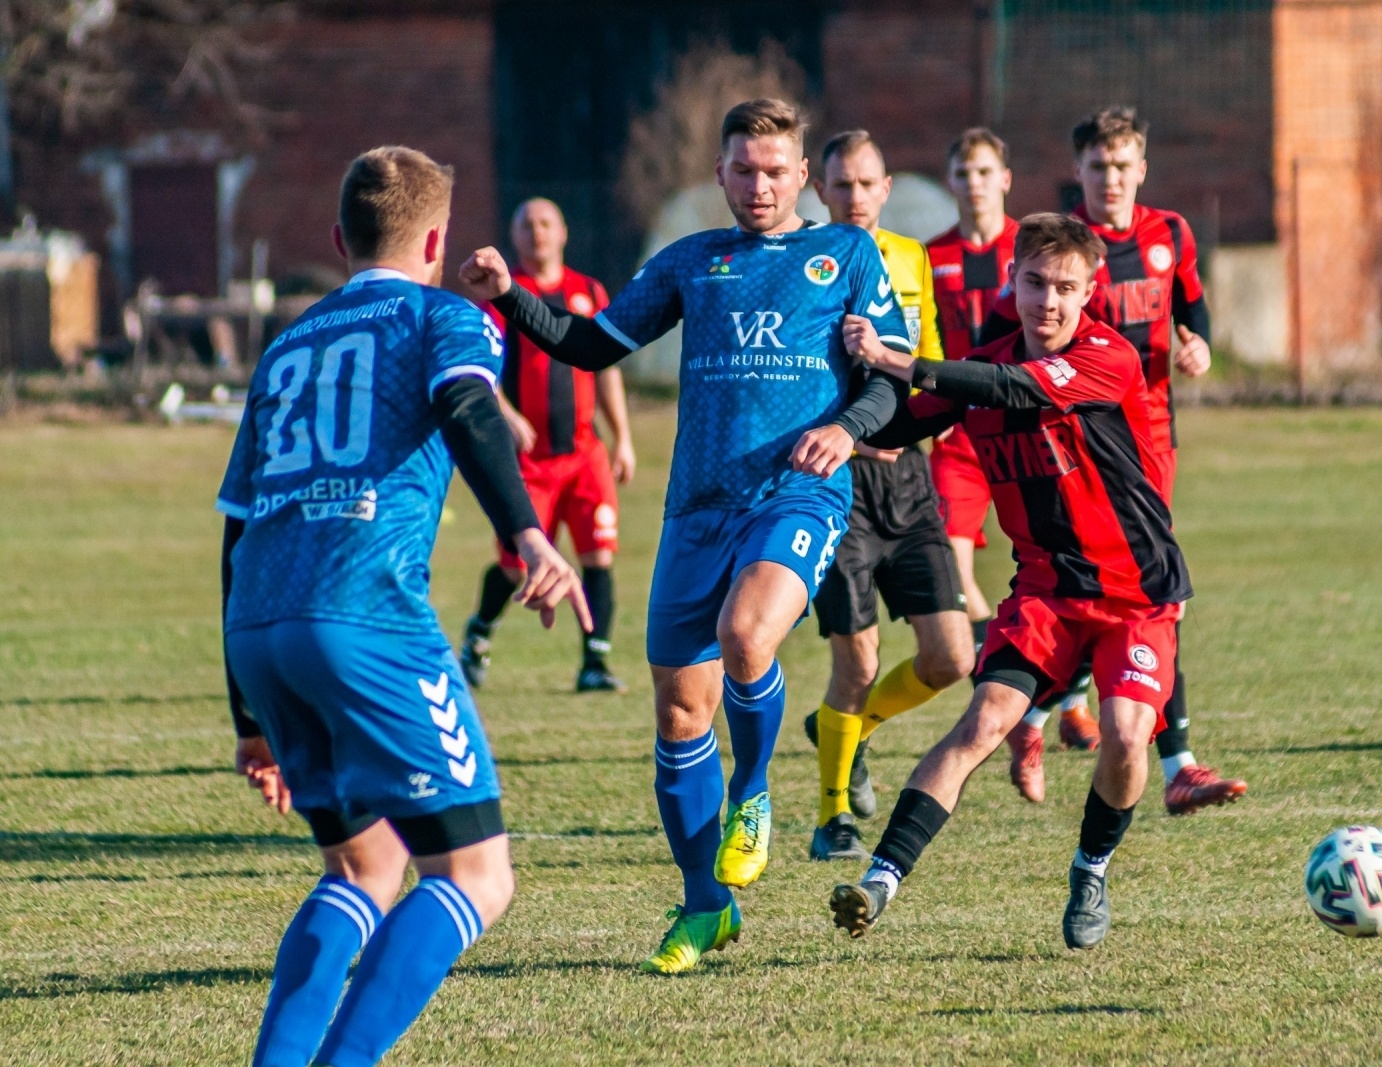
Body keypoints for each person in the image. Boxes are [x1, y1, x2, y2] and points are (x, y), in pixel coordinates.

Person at [458, 99, 912, 974]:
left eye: (776, 170)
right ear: (719, 174)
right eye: (743, 169)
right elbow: (591, 345)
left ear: (804, 177)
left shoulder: (844, 253)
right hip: (695, 509)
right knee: (676, 712)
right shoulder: (692, 263)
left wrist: (849, 428)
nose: (759, 185)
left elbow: (889, 381)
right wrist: (511, 296)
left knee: (748, 635)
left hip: (797, 493)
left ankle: (753, 793)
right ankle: (708, 906)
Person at [218, 146, 590, 1066]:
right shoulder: (444, 315)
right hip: (365, 616)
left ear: (340, 238)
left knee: (366, 865)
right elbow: (468, 406)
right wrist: (529, 534)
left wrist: (248, 716)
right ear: (436, 239)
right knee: (474, 873)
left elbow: (233, 531)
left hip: (260, 626)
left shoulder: (285, 344)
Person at [827, 211, 1188, 952]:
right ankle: (879, 879)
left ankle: (1090, 867)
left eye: (1064, 288)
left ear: (1089, 293)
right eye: (1034, 283)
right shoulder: (986, 364)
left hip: (1135, 594)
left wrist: (903, 360)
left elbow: (1007, 388)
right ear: (1014, 281)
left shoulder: (1104, 358)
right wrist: (836, 409)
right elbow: (897, 426)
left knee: (1123, 738)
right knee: (982, 722)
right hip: (1046, 591)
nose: (1047, 301)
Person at [979, 107, 1247, 815]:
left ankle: (1110, 741)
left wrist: (1200, 346)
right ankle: (1145, 751)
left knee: (1147, 590)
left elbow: (1194, 309)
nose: (1112, 179)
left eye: (1124, 165)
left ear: (1143, 169)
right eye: (1099, 167)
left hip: (1151, 436)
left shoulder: (1172, 234)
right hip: (1071, 445)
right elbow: (997, 340)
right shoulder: (1059, 250)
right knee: (1107, 586)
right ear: (1079, 172)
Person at [802, 129, 975, 862]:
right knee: (858, 662)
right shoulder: (798, 265)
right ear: (821, 191)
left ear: (886, 187)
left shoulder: (910, 258)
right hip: (837, 479)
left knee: (951, 657)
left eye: (868, 184)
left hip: (910, 480)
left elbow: (926, 350)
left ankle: (845, 728)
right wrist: (846, 430)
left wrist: (922, 423)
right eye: (842, 185)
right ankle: (834, 813)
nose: (856, 197)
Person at [458, 197, 635, 694]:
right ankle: (478, 637)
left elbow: (606, 368)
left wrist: (621, 439)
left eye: (545, 223)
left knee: (598, 554)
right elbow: (479, 367)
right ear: (514, 237)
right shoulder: (502, 293)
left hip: (585, 454)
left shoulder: (588, 290)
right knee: (516, 564)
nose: (537, 233)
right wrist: (508, 415)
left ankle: (594, 663)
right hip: (528, 463)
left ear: (563, 233)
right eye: (526, 225)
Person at [925, 129, 1017, 657]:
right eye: (964, 174)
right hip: (957, 434)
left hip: (1022, 423)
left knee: (1057, 566)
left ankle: (1066, 700)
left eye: (985, 172)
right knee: (952, 575)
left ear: (1005, 179)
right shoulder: (932, 256)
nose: (974, 184)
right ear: (949, 182)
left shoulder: (1030, 247)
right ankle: (1008, 672)